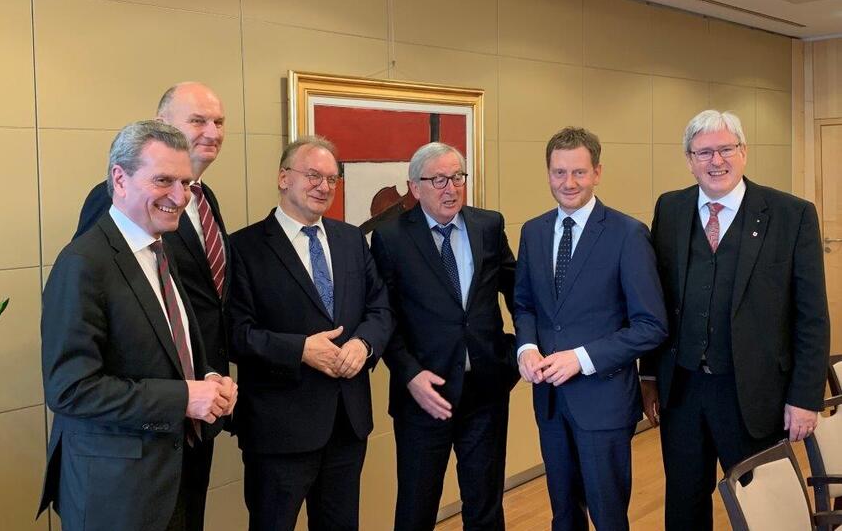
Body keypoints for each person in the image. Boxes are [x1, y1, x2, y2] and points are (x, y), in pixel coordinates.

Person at [37, 120, 237, 531]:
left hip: (172, 476)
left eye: (184, 182)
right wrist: (183, 398)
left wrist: (210, 380)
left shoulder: (160, 251)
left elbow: (169, 347)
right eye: (163, 180)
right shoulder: (83, 264)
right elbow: (70, 389)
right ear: (119, 179)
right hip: (117, 493)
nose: (180, 197)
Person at [639, 109, 830, 530]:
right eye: (703, 152)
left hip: (756, 396)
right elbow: (656, 301)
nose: (716, 161)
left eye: (726, 149)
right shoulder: (670, 209)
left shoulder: (790, 214)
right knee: (684, 505)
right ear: (689, 159)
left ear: (743, 152)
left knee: (767, 509)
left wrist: (805, 397)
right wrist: (649, 376)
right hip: (684, 393)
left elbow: (812, 316)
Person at [227, 136, 394, 531]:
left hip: (346, 424)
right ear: (284, 178)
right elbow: (235, 333)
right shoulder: (243, 247)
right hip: (278, 431)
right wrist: (299, 349)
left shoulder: (351, 239)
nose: (324, 187)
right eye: (313, 176)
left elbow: (380, 308)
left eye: (332, 179)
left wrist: (364, 343)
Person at [513, 126, 667, 531]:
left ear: (597, 172)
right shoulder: (534, 231)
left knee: (608, 516)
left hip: (604, 402)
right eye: (559, 173)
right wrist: (525, 347)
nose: (569, 183)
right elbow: (525, 304)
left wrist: (581, 359)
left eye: (579, 172)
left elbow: (651, 326)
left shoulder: (627, 234)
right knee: (563, 515)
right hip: (549, 403)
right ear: (548, 173)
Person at [370, 142, 518, 531]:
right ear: (415, 188)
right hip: (424, 395)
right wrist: (409, 375)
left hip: (485, 391)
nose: (450, 188)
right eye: (438, 180)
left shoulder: (489, 225)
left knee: (485, 506)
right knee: (417, 508)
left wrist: (519, 352)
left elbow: (519, 292)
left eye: (457, 177)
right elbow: (385, 317)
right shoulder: (390, 238)